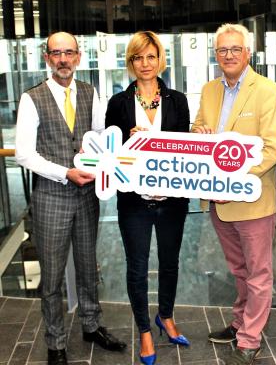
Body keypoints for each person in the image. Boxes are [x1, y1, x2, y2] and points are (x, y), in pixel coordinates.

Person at [15, 32, 127, 365]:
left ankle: (91, 325)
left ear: (78, 57)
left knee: (87, 266)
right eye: (56, 53)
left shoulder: (91, 93)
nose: (63, 59)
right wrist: (65, 172)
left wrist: (96, 154)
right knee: (51, 276)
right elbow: (24, 154)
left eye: (69, 53)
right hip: (51, 197)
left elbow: (97, 138)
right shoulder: (30, 98)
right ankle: (55, 342)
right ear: (47, 58)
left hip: (86, 195)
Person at [192, 24, 276, 365]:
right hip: (218, 202)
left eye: (235, 49)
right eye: (222, 50)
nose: (228, 55)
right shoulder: (208, 90)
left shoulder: (268, 91)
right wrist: (199, 134)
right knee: (239, 270)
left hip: (252, 200)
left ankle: (250, 336)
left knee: (259, 273)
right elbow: (198, 132)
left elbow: (272, 148)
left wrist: (234, 180)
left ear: (247, 53)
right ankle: (240, 322)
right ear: (216, 55)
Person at [105, 31, 190, 365]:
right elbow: (111, 156)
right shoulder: (118, 103)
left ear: (160, 60)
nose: (145, 64)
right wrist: (129, 141)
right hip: (134, 202)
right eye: (138, 57)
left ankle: (165, 316)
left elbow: (185, 150)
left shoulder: (178, 100)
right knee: (137, 268)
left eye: (151, 56)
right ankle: (144, 330)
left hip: (172, 200)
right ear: (131, 62)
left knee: (170, 263)